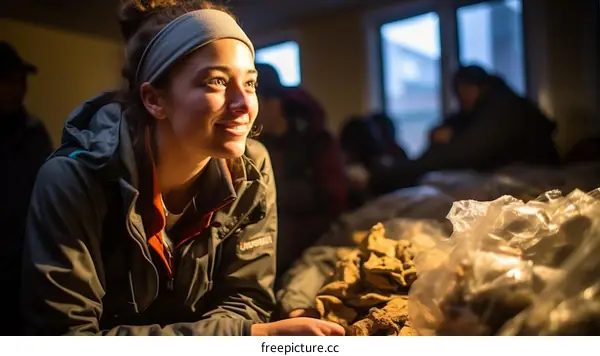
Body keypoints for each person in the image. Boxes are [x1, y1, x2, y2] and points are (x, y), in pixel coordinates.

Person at [20, 0, 344, 336]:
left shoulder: (251, 167)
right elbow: (66, 339)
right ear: (155, 100)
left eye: (250, 83)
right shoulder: (72, 180)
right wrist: (248, 336)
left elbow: (245, 298)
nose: (244, 104)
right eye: (216, 81)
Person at [372, 65, 560, 195]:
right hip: (512, 165)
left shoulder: (502, 108)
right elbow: (460, 128)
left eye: (459, 93)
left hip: (527, 169)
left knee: (425, 173)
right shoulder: (485, 107)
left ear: (469, 87)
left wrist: (405, 171)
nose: (459, 101)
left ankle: (381, 179)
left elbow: (468, 151)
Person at [254, 63, 348, 280]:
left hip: (312, 238)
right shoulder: (252, 144)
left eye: (252, 94)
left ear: (272, 102)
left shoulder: (314, 139)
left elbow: (332, 198)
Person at [0, 41, 53, 334]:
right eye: (8, 81)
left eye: (20, 81)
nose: (17, 89)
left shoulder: (34, 132)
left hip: (25, 264)